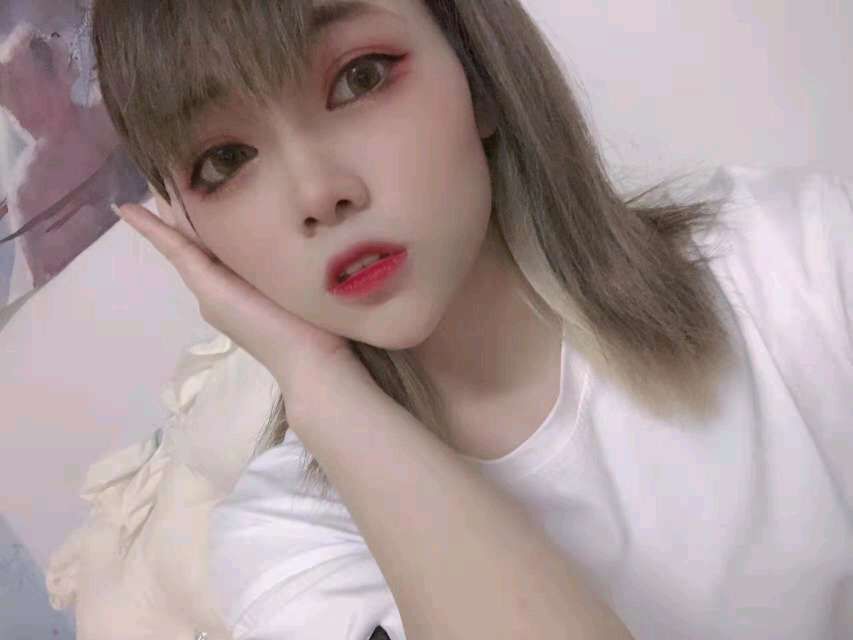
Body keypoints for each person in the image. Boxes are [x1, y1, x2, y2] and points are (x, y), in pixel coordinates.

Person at [76, 0, 851, 638]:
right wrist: (315, 380)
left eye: (359, 77)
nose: (317, 194)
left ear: (476, 72)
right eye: (225, 161)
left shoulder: (792, 261)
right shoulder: (287, 545)